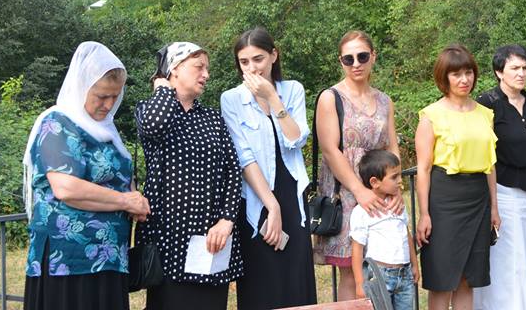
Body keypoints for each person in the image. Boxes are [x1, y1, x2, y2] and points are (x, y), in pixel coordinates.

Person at [22, 41, 150, 310]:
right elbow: (66, 188)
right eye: (102, 96)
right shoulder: (58, 123)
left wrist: (134, 200)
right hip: (67, 261)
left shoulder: (107, 130)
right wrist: (125, 201)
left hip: (108, 257)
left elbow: (119, 176)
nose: (109, 104)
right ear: (82, 87)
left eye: (115, 96)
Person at [135, 42, 244, 310]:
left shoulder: (212, 119)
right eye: (198, 67)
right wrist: (163, 87)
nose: (206, 74)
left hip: (210, 239)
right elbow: (154, 126)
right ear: (175, 69)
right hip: (167, 239)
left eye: (207, 68)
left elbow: (233, 171)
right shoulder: (149, 110)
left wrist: (226, 220)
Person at [220, 27, 317, 309]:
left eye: (258, 59)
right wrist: (271, 206)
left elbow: (296, 139)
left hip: (292, 195)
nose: (252, 68)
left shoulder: (293, 90)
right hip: (257, 197)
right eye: (244, 62)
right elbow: (243, 157)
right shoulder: (231, 99)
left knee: (296, 279)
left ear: (274, 56)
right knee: (262, 282)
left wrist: (273, 97)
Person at [312, 30, 400, 300]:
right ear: (340, 61)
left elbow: (391, 147)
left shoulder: (385, 100)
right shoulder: (331, 97)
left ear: (373, 56)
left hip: (381, 190)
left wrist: (395, 189)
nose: (356, 64)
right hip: (347, 192)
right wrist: (359, 191)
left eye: (362, 56)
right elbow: (330, 150)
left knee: (383, 266)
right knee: (352, 271)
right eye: (348, 59)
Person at [415, 44, 499, 310]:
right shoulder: (431, 116)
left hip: (478, 199)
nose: (464, 79)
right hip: (444, 200)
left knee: (467, 279)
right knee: (442, 280)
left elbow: (490, 165)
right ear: (445, 77)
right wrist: (424, 213)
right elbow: (423, 169)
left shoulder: (485, 114)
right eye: (456, 74)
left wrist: (494, 208)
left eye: (468, 72)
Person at [473, 44, 526, 310]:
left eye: (525, 67)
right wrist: (493, 204)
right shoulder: (487, 103)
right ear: (499, 72)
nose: (521, 73)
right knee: (509, 262)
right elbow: (485, 154)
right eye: (514, 68)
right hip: (505, 193)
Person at [350, 150, 419, 310]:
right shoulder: (362, 211)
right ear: (375, 182)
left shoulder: (398, 205)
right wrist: (360, 284)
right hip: (380, 276)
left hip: (404, 274)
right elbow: (357, 248)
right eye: (394, 177)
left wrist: (414, 264)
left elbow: (406, 234)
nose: (400, 181)